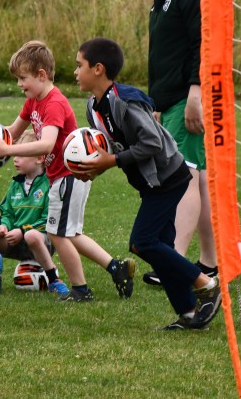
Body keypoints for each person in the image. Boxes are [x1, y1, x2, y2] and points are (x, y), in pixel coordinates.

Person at [72, 37, 221, 330]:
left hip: (169, 179)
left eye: (79, 65)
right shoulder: (93, 108)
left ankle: (206, 284)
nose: (76, 72)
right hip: (151, 185)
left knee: (142, 242)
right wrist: (95, 168)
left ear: (98, 69)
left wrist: (112, 161)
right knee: (163, 249)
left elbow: (152, 142)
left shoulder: (125, 102)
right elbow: (111, 149)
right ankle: (189, 313)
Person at [0, 39, 135, 302]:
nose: (19, 84)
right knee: (71, 233)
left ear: (41, 75)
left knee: (57, 233)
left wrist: (7, 150)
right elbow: (13, 131)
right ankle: (116, 267)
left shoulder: (53, 102)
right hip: (62, 177)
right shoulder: (33, 101)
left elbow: (46, 143)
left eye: (23, 78)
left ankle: (80, 289)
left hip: (69, 176)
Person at [146, 0, 217, 287]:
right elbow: (166, 53)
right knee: (198, 179)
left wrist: (195, 94)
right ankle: (210, 262)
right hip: (171, 98)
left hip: (187, 98)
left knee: (183, 177)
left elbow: (201, 46)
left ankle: (173, 261)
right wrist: (157, 100)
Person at [0, 131, 71, 299]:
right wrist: (3, 226)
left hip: (40, 242)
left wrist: (22, 231)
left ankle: (53, 279)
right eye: (14, 154)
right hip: (13, 241)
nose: (15, 159)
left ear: (39, 158)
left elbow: (49, 219)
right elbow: (5, 211)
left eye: (20, 155)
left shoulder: (49, 184)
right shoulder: (16, 184)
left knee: (31, 236)